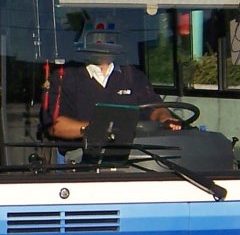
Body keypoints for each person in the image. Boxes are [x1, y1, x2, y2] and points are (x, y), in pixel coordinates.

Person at [46, 23, 181, 144]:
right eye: (97, 35)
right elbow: (55, 126)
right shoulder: (65, 76)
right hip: (80, 158)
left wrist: (165, 119)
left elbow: (155, 107)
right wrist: (97, 129)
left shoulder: (133, 75)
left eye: (108, 36)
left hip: (134, 154)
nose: (103, 41)